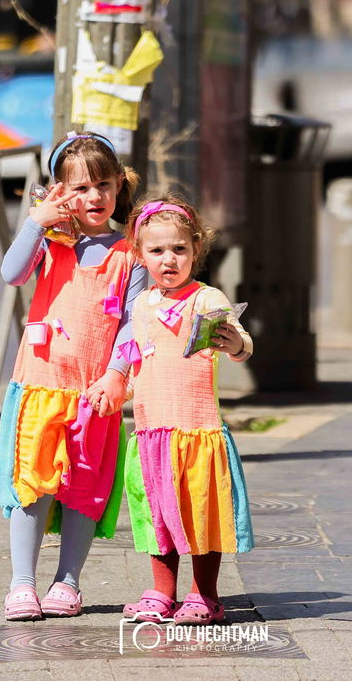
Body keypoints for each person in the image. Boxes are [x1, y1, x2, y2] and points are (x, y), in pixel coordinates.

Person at [0, 132, 147, 620]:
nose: (94, 197)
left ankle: (68, 582)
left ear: (119, 186)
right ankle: (22, 583)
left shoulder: (130, 252)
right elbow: (11, 274)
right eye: (79, 189)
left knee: (84, 486)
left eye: (103, 185)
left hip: (94, 390)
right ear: (60, 192)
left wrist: (117, 375)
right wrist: (36, 223)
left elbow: (133, 321)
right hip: (41, 381)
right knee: (33, 482)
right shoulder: (52, 240)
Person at [112, 196, 255, 626]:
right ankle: (161, 592)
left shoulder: (206, 298)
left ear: (196, 250)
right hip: (152, 430)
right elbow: (134, 359)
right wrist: (113, 388)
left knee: (200, 513)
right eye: (156, 251)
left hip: (197, 430)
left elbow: (240, 341)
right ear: (140, 255)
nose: (168, 259)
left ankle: (205, 595)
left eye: (179, 249)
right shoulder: (140, 306)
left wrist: (236, 344)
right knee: (157, 513)